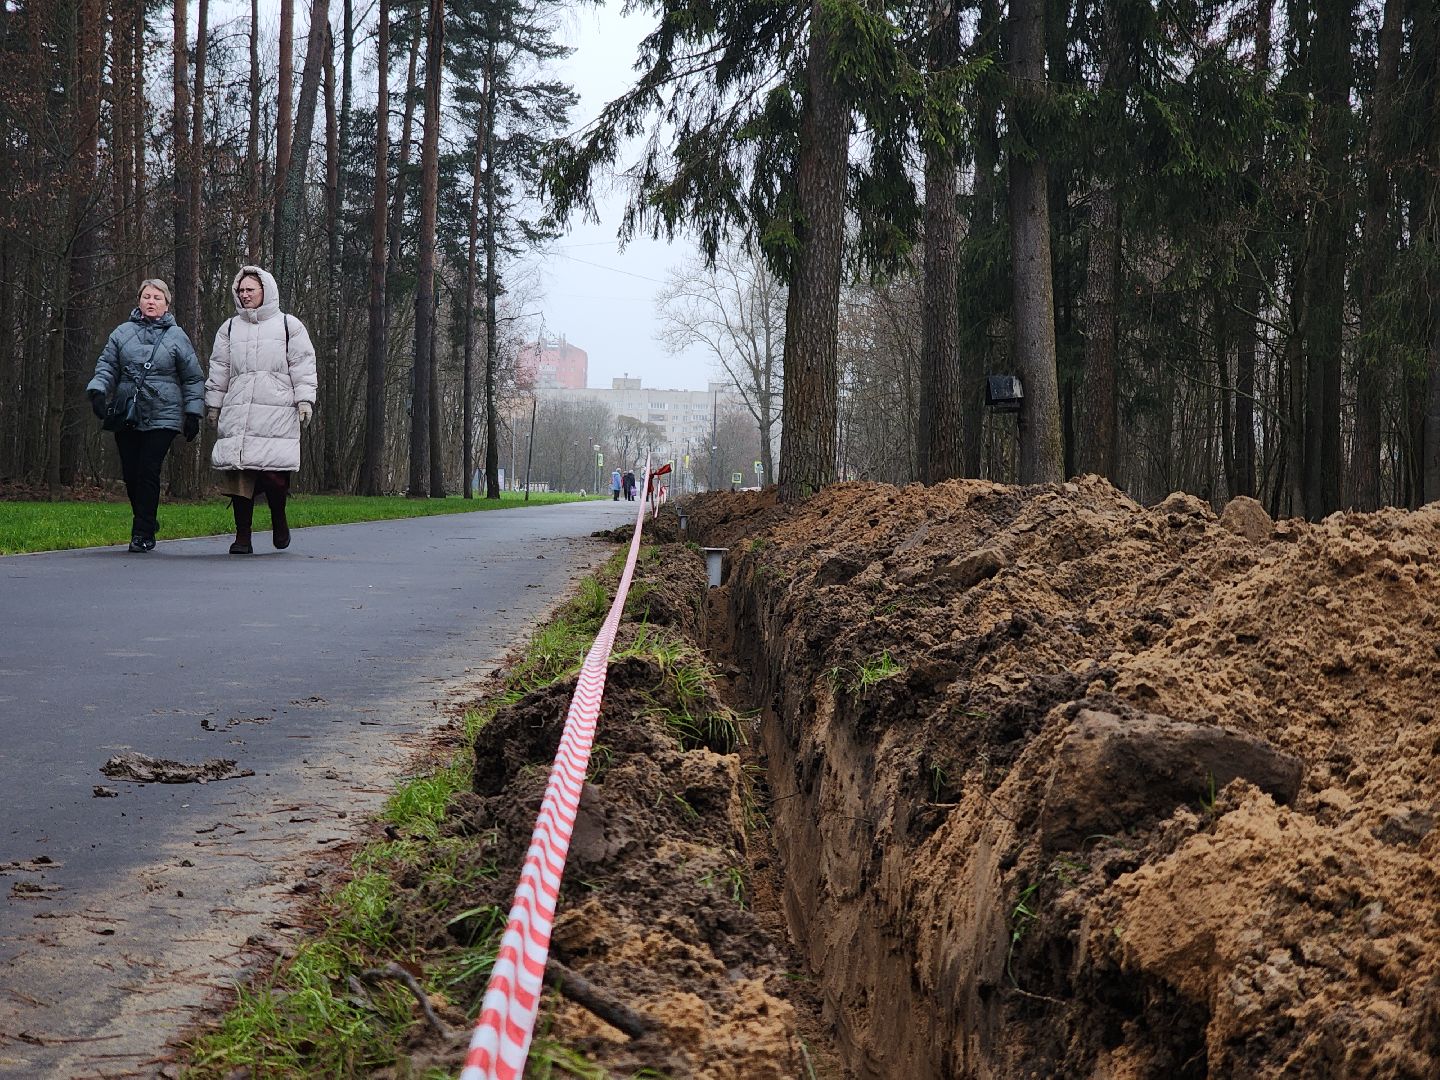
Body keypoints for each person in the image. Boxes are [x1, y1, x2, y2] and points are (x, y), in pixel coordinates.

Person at [204, 266, 317, 555]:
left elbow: (302, 365)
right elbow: (220, 369)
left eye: (250, 290)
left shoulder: (289, 326)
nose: (245, 295)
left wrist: (305, 401)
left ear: (265, 291)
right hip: (239, 409)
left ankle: (279, 518)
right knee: (239, 476)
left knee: (274, 476)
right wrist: (214, 405)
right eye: (241, 291)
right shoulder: (229, 328)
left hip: (276, 409)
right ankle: (243, 537)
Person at [86, 279, 205, 553]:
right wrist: (98, 392)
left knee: (148, 469)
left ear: (167, 304)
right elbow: (106, 366)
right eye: (147, 297)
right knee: (130, 473)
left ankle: (142, 533)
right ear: (139, 301)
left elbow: (193, 377)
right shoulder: (122, 333)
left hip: (164, 412)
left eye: (157, 298)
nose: (151, 302)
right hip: (128, 410)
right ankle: (147, 519)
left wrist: (192, 413)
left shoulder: (177, 337)